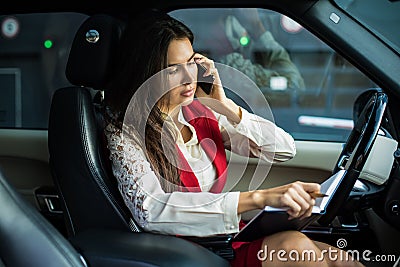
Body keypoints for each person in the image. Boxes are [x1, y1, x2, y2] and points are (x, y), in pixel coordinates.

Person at [103, 10, 363, 267]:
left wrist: (226, 105)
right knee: (295, 247)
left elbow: (284, 149)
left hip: (226, 239)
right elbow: (150, 210)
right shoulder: (125, 131)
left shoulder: (200, 112)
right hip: (187, 252)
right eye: (173, 70)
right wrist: (260, 198)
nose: (188, 78)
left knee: (339, 258)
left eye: (191, 63)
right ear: (147, 73)